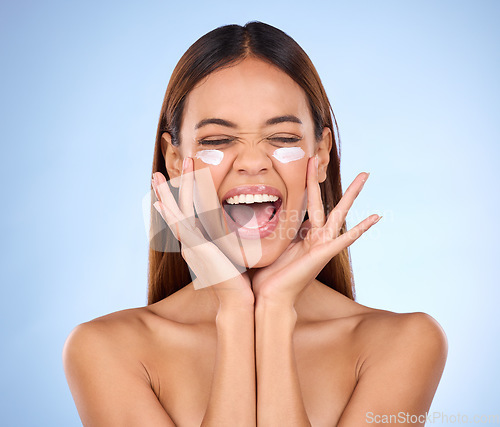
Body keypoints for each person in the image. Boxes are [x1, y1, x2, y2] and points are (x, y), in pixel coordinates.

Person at [63, 21, 448, 426]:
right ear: (175, 161)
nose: (251, 161)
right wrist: (233, 309)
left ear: (321, 152)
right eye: (216, 141)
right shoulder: (104, 350)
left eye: (282, 138)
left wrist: (277, 312)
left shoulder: (404, 343)